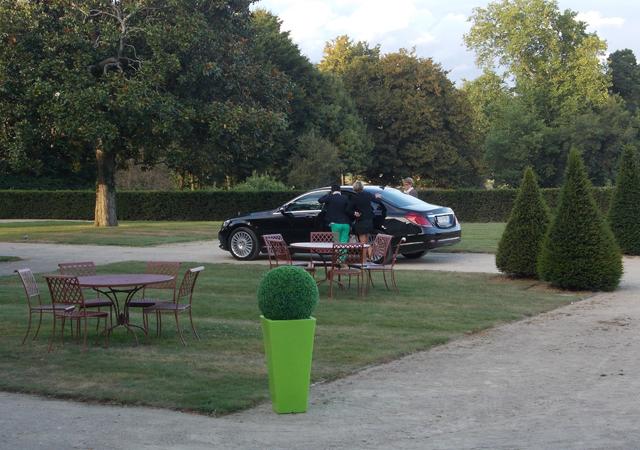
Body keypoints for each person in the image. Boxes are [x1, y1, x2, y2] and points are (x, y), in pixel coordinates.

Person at [348, 180, 382, 258]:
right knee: (366, 242)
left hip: (361, 221)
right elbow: (377, 201)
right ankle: (369, 258)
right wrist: (378, 197)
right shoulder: (368, 194)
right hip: (369, 221)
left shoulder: (354, 197)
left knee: (363, 243)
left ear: (354, 188)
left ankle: (364, 260)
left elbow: (348, 209)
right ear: (362, 187)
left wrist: (354, 213)